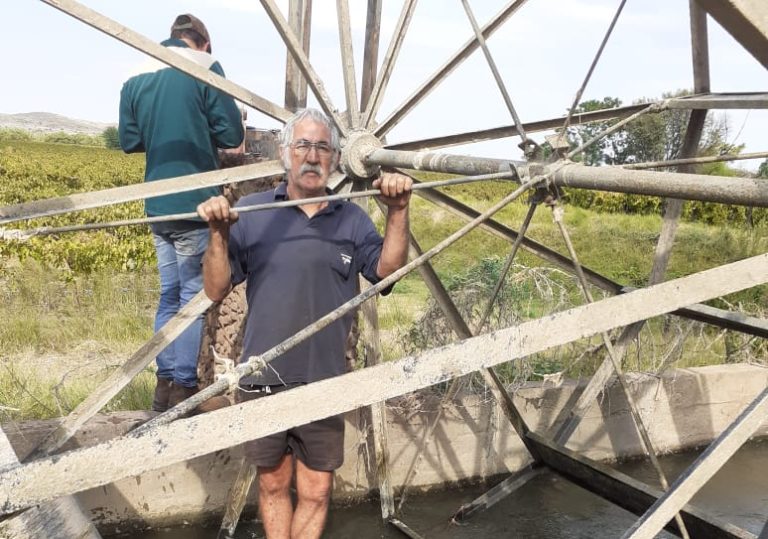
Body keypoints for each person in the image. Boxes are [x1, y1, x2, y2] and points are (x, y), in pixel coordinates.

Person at [197, 108, 411, 539]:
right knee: (273, 484)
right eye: (303, 145)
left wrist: (398, 211)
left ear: (333, 158)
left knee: (316, 491)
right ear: (284, 154)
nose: (312, 156)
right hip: (263, 377)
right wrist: (218, 234)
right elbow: (217, 288)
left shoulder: (350, 218)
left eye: (321, 147)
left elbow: (387, 271)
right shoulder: (253, 212)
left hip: (324, 380)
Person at [118, 14, 245, 411]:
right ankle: (186, 388)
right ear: (203, 44)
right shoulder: (205, 68)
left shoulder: (136, 71)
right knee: (193, 297)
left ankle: (164, 386)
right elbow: (232, 136)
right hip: (196, 204)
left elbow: (130, 140)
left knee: (168, 296)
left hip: (157, 202)